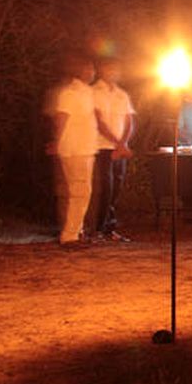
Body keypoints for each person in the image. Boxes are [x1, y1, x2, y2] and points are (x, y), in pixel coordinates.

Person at [47, 55, 99, 247]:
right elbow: (61, 118)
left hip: (84, 147)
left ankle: (76, 231)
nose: (93, 72)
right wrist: (56, 141)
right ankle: (70, 235)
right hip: (75, 149)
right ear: (82, 71)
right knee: (79, 192)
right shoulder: (70, 93)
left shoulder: (87, 92)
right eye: (90, 68)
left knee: (82, 192)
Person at [89, 55, 135, 241]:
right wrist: (118, 143)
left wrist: (123, 143)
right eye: (109, 69)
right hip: (102, 146)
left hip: (119, 148)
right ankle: (96, 228)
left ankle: (110, 228)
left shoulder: (121, 94)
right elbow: (99, 122)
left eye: (116, 69)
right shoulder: (93, 92)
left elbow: (129, 120)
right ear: (101, 70)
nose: (113, 73)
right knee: (104, 188)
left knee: (116, 187)